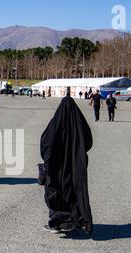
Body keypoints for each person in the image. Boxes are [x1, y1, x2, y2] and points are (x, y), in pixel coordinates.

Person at [40, 93, 94, 235]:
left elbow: (46, 142)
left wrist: (48, 159)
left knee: (56, 190)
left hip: (57, 165)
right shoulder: (80, 124)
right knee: (73, 190)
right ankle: (73, 219)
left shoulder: (56, 123)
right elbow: (88, 142)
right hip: (75, 164)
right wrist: (77, 152)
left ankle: (58, 222)